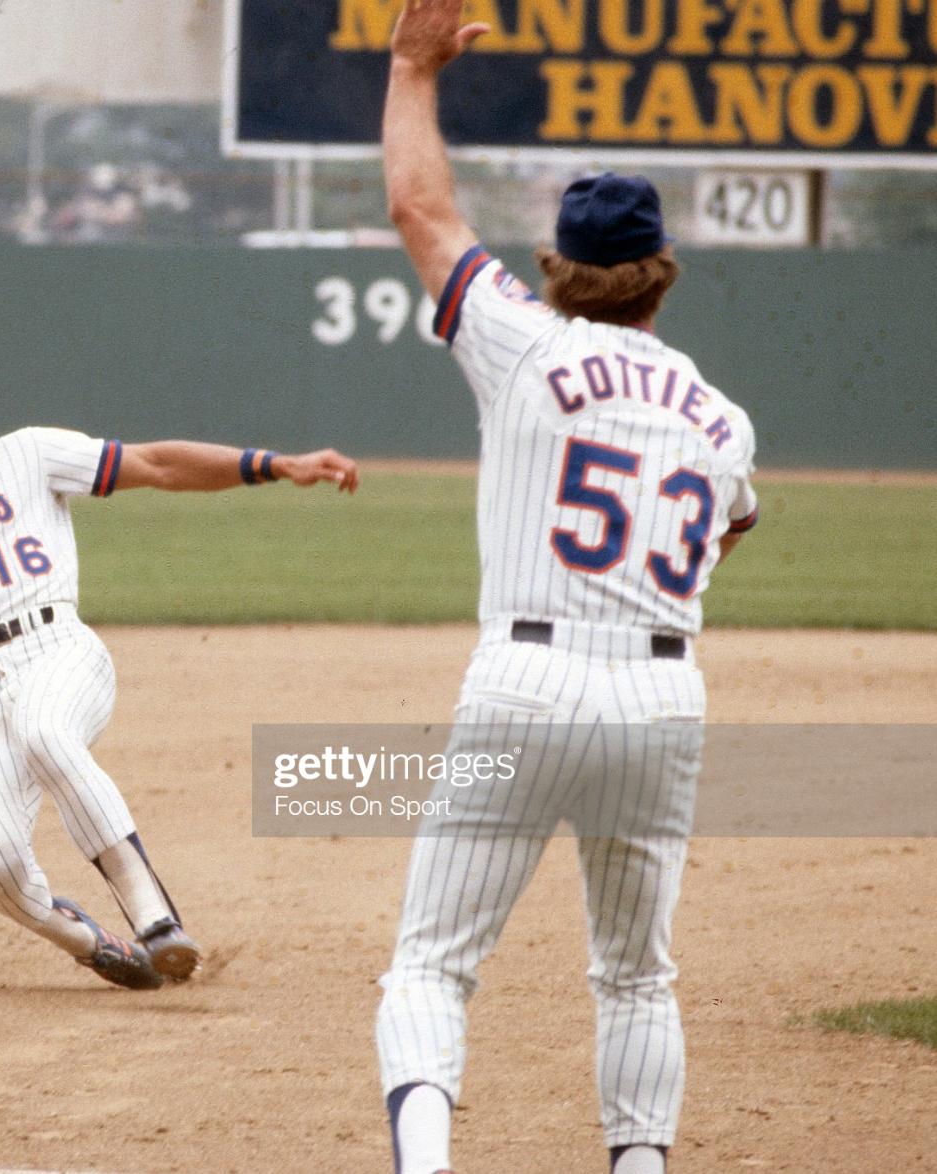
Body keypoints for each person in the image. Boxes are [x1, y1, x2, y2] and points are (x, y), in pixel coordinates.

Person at [374, 2, 760, 1172]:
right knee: (635, 972)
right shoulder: (722, 417)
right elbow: (726, 531)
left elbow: (418, 207)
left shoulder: (522, 341)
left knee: (431, 964)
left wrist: (409, 67)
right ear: (660, 277)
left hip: (525, 680)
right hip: (660, 695)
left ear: (559, 269)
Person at [0, 324, 360, 990]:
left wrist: (275, 464)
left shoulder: (30, 455)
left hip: (56, 651)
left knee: (46, 731)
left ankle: (155, 916)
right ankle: (93, 942)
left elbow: (157, 465)